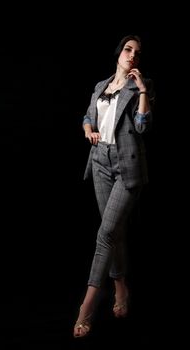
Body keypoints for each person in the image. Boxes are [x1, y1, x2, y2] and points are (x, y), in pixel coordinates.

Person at [73, 34, 155, 338]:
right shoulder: (100, 87)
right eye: (128, 49)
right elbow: (87, 116)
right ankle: (121, 287)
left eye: (137, 52)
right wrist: (87, 130)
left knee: (105, 233)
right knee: (115, 231)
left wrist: (143, 91)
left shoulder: (140, 87)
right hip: (100, 162)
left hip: (126, 166)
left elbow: (142, 126)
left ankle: (87, 307)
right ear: (119, 53)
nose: (132, 55)